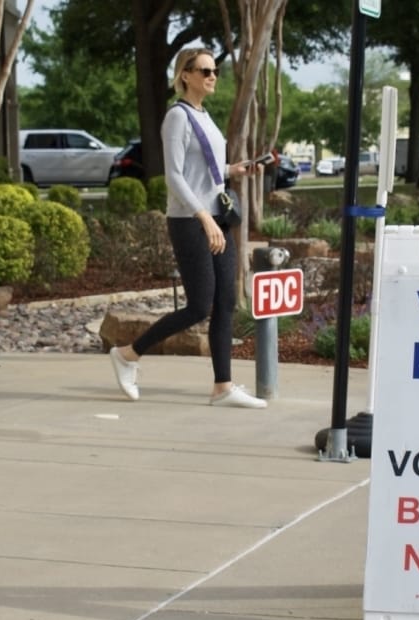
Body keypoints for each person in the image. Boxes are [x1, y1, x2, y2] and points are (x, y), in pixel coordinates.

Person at [108, 47, 267, 409]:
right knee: (199, 306)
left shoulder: (204, 115)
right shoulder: (176, 117)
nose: (213, 76)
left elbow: (203, 170)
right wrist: (203, 216)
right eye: (205, 70)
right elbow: (175, 177)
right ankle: (128, 354)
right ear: (185, 75)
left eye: (215, 71)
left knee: (226, 303)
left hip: (215, 218)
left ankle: (222, 387)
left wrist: (233, 170)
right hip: (190, 221)